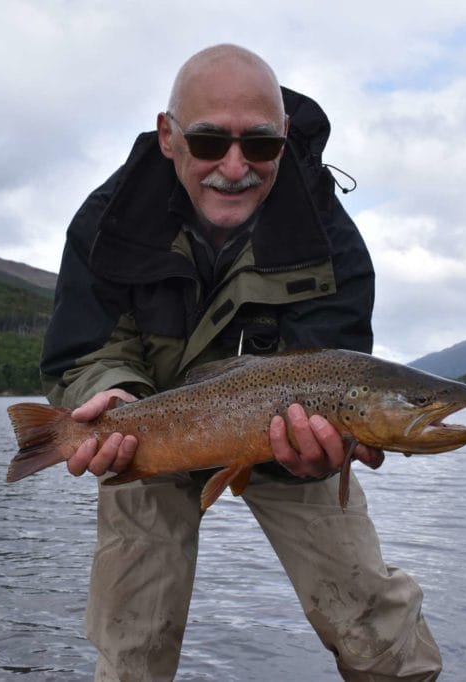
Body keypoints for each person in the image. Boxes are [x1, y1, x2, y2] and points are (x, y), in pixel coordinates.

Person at [39, 44, 443, 681]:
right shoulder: (108, 221)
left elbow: (337, 365)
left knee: (375, 622)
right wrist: (110, 394)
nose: (235, 166)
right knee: (131, 642)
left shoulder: (329, 239)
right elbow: (89, 343)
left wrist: (325, 446)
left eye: (259, 145)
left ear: (284, 137)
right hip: (152, 430)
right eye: (208, 142)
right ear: (168, 136)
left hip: (286, 441)